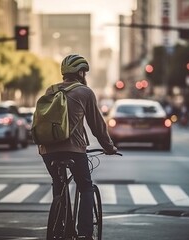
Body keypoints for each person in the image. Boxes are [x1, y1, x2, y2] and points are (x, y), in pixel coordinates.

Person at [38, 54, 117, 240]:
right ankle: (84, 234)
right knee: (85, 187)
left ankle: (60, 225)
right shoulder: (85, 92)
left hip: (47, 150)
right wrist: (109, 146)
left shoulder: (50, 90)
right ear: (81, 73)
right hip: (74, 149)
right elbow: (96, 125)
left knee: (59, 184)